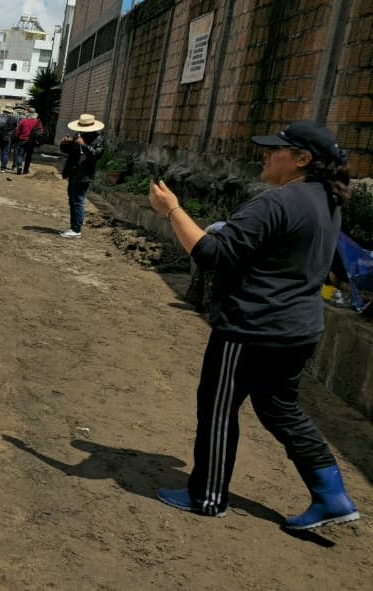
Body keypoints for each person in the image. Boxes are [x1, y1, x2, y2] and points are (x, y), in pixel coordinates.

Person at [150, 121, 360, 530]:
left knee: (218, 406)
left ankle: (207, 495)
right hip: (298, 329)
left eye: (275, 150)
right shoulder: (326, 199)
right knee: (279, 406)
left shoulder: (276, 203)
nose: (265, 155)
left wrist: (172, 209)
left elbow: (211, 254)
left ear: (303, 160)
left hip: (252, 328)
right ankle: (332, 494)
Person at [57, 113, 105, 238]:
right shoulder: (78, 136)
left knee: (78, 201)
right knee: (72, 201)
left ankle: (76, 229)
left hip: (84, 174)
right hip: (73, 172)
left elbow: (96, 155)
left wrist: (83, 145)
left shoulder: (98, 140)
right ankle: (73, 227)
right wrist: (65, 143)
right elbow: (69, 151)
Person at [14, 111, 45, 175]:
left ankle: (19, 166)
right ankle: (25, 170)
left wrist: (17, 138)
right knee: (28, 156)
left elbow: (17, 131)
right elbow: (41, 131)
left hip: (22, 140)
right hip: (31, 141)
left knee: (20, 154)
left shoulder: (24, 121)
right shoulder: (37, 122)